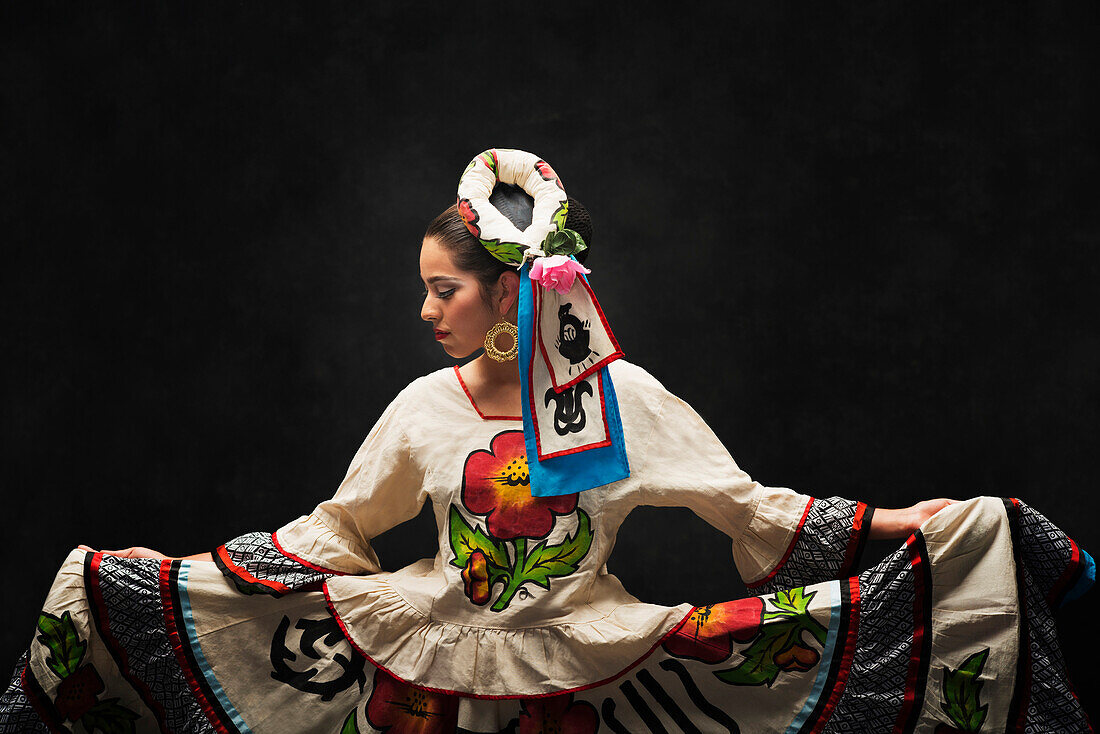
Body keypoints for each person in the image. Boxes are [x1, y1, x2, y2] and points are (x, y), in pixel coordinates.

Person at [1, 149, 1093, 733]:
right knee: (122, 590)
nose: (428, 314)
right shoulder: (422, 406)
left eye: (444, 290)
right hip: (428, 653)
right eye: (423, 292)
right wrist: (199, 576)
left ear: (510, 294)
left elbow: (742, 504)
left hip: (586, 662)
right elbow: (340, 527)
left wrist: (899, 523)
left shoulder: (617, 396)